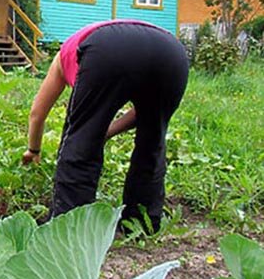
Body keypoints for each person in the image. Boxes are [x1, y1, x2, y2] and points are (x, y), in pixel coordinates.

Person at [21, 20, 189, 232]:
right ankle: (141, 225)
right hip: (172, 53)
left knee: (80, 140)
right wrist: (106, 132)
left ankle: (68, 225)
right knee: (152, 141)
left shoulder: (63, 56)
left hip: (107, 49)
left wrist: (33, 149)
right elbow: (143, 114)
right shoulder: (110, 36)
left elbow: (37, 113)